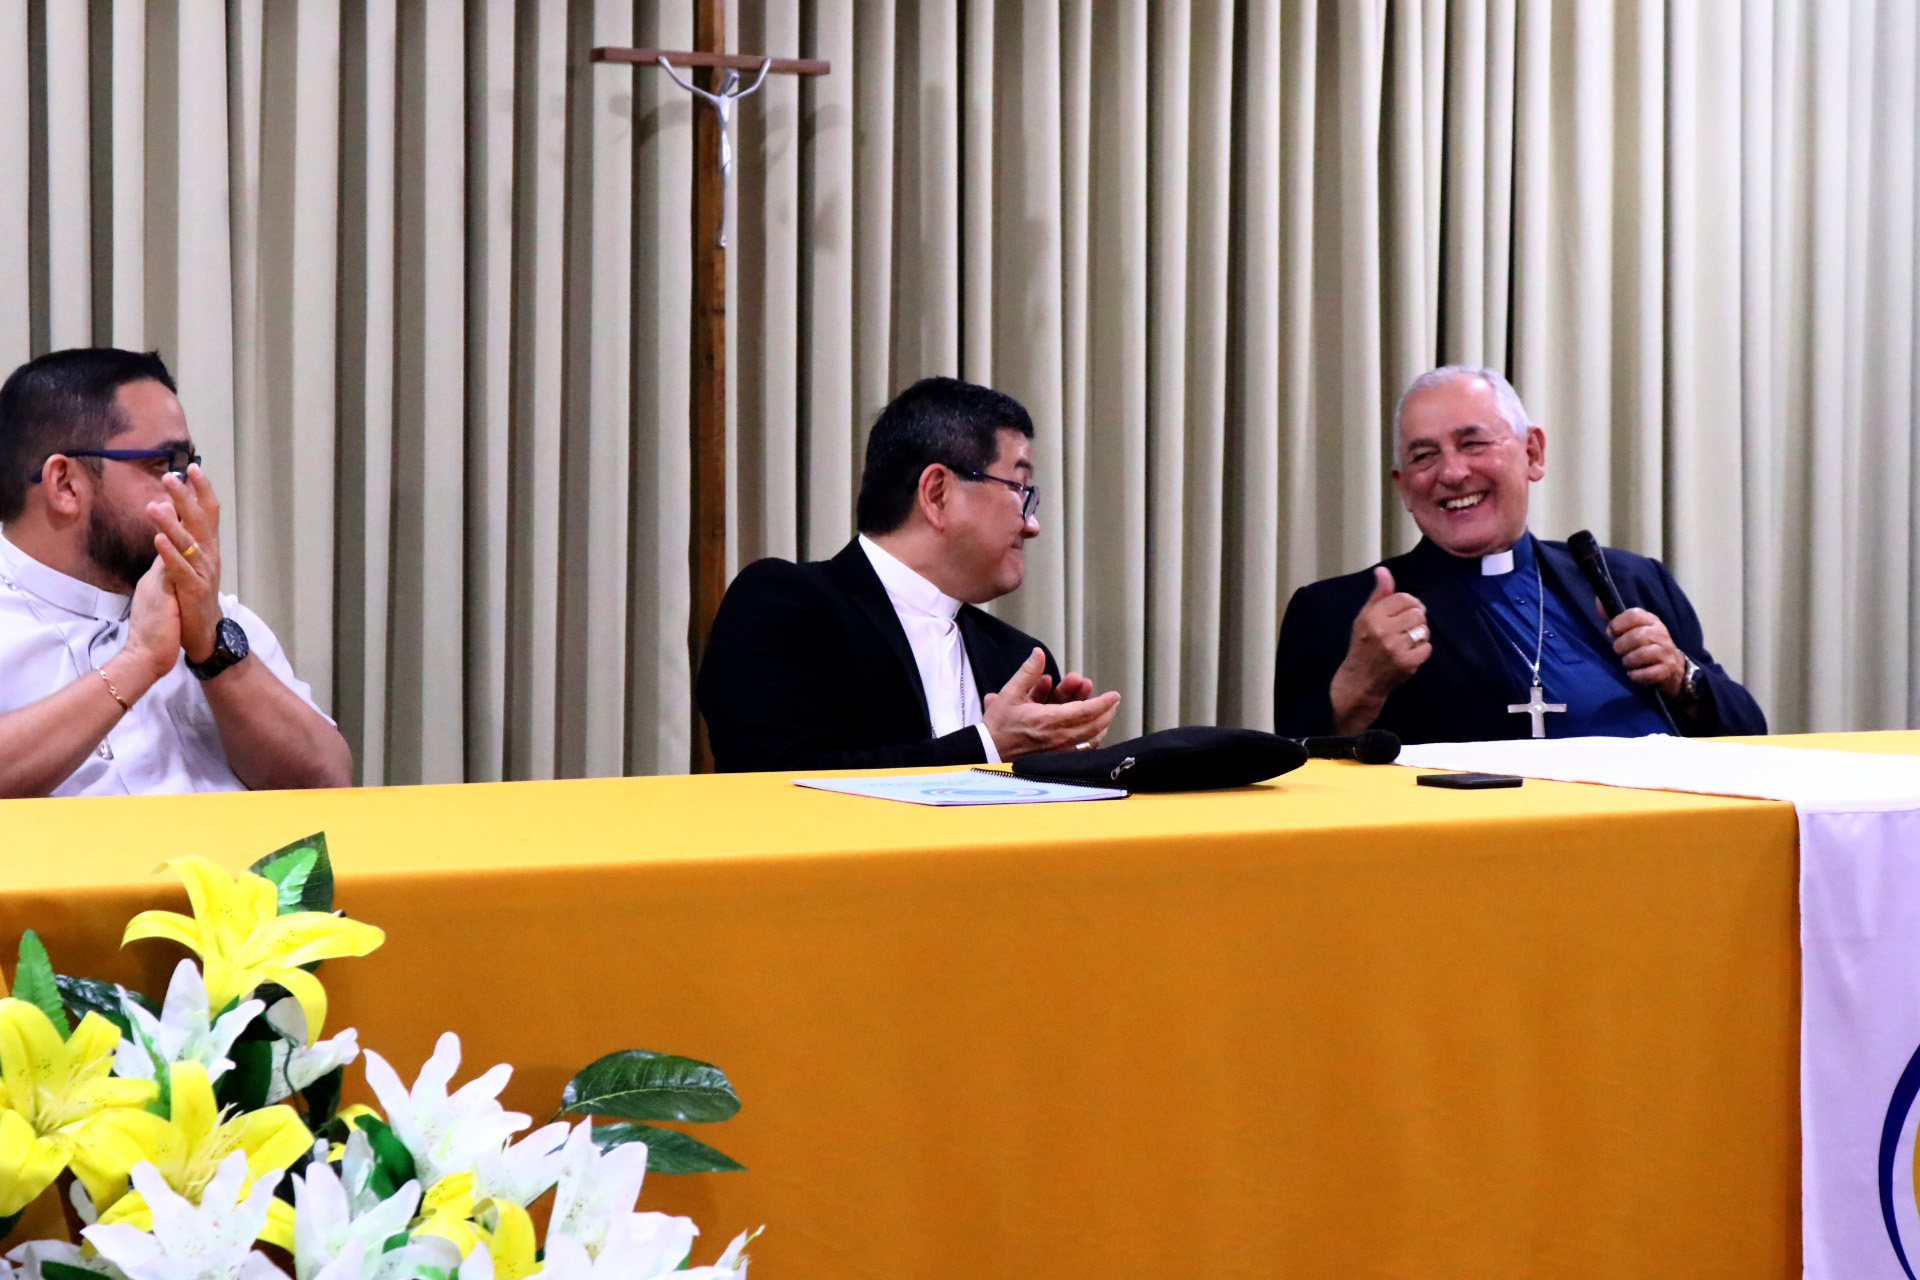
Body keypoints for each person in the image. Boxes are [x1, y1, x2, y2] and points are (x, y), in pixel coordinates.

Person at [1273, 365, 1766, 744]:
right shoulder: (1339, 613)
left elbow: (1750, 736)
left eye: (1473, 443)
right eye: (1424, 457)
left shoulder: (1633, 581)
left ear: (1533, 453)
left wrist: (1682, 677)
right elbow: (1296, 778)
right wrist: (1358, 689)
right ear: (1403, 486)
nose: (1452, 473)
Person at [698, 376, 1121, 771]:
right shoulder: (784, 605)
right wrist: (990, 748)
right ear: (937, 493)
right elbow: (779, 779)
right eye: (1019, 489)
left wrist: (1056, 766)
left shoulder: (1017, 658)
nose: (1033, 525)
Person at [0, 348, 352, 797]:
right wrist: (137, 663)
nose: (190, 493)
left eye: (187, 467)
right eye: (163, 465)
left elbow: (328, 781)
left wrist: (213, 647)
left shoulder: (211, 610)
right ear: (65, 484)